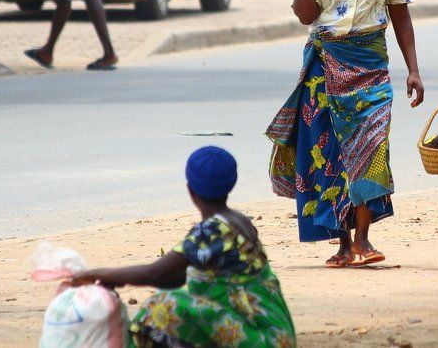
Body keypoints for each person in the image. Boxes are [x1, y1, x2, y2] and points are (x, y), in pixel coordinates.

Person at [267, 0, 424, 269]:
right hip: (325, 63)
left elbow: (401, 15)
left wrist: (414, 69)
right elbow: (304, 15)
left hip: (371, 63)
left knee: (371, 148)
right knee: (328, 151)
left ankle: (365, 240)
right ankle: (341, 242)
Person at [71, 147, 296, 346]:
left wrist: (96, 273)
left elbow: (154, 272)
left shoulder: (210, 231)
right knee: (174, 300)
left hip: (260, 337)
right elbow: (177, 277)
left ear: (190, 189)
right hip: (274, 331)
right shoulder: (240, 221)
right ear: (232, 183)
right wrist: (118, 279)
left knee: (162, 306)